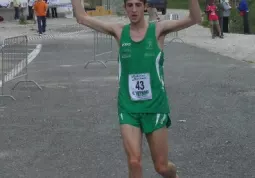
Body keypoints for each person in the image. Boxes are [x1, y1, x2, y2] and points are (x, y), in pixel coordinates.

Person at [71, 0, 201, 177]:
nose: (133, 9)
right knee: (134, 161)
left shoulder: (158, 30)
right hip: (129, 107)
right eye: (129, 5)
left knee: (162, 167)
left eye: (138, 5)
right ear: (125, 8)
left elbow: (194, 18)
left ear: (145, 7)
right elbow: (82, 17)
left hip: (155, 106)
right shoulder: (118, 31)